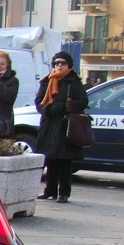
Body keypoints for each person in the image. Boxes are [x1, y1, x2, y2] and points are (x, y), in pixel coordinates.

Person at [34, 50, 89, 204]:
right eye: (57, 63)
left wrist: (64, 106)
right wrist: (46, 109)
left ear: (68, 65)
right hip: (49, 124)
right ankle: (49, 190)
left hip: (65, 124)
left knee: (64, 161)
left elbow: (83, 101)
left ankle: (64, 192)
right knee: (49, 158)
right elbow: (38, 100)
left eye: (62, 63)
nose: (59, 66)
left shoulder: (74, 81)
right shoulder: (47, 80)